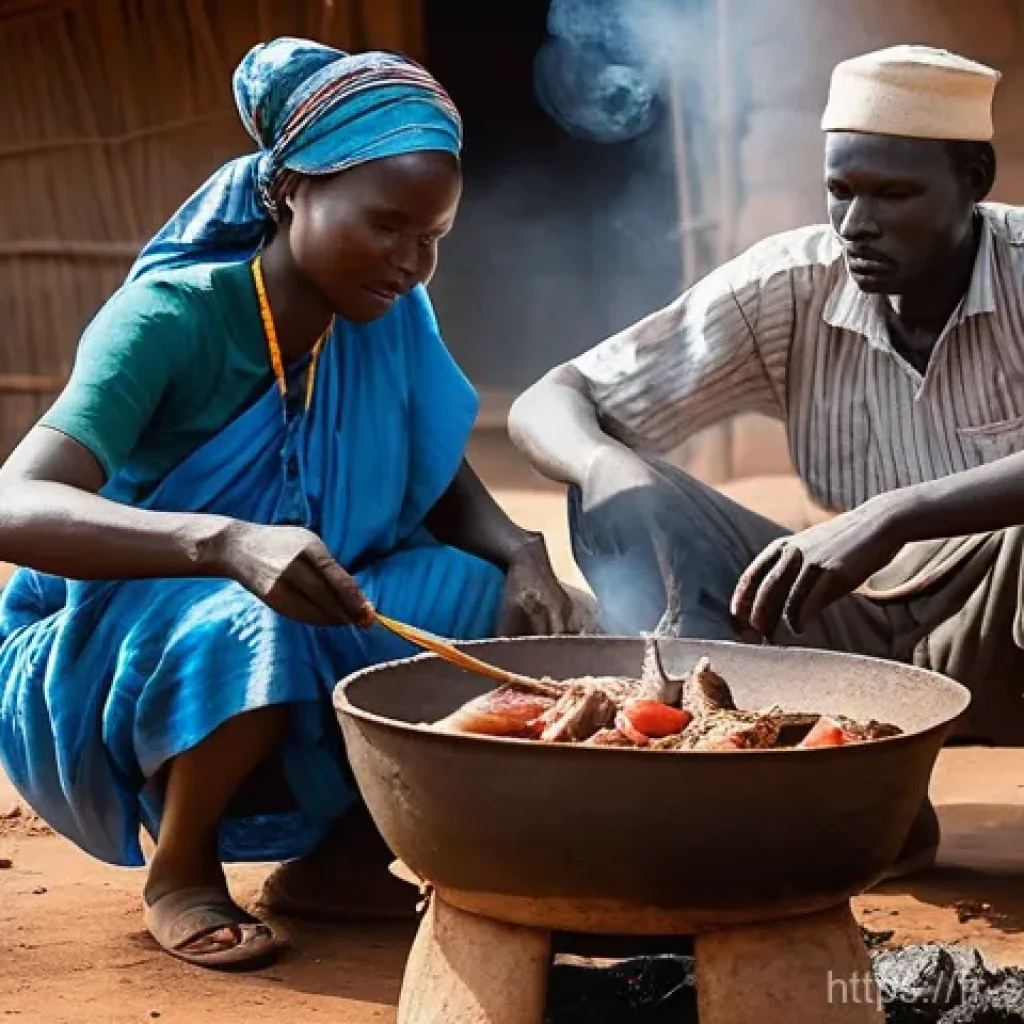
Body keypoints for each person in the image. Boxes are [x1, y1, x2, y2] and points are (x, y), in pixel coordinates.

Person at [0, 38, 577, 970]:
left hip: (311, 590)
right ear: (291, 192)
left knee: (486, 606)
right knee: (249, 625)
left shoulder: (386, 321)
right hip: (125, 633)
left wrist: (521, 553)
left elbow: (438, 481)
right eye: (387, 224)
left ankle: (346, 859)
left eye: (433, 239)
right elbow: (14, 504)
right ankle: (180, 870)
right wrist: (224, 543)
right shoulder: (169, 320)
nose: (410, 263)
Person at [509, 44, 1024, 873]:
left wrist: (895, 513)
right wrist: (605, 467)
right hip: (839, 619)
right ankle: (812, 806)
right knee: (630, 500)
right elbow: (550, 400)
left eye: (895, 194)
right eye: (841, 190)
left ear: (976, 180)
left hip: (1000, 630)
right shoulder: (792, 282)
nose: (859, 223)